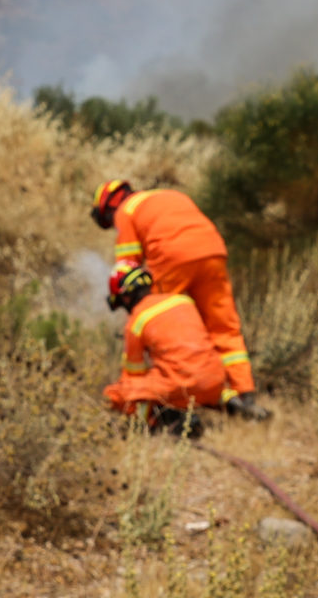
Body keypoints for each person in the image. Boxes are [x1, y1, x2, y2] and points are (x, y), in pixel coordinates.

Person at [91, 179, 261, 406]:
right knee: (224, 326)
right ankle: (244, 391)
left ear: (109, 207)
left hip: (172, 257)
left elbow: (127, 269)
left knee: (159, 319)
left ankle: (178, 390)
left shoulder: (127, 210)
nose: (114, 225)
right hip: (213, 252)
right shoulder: (171, 195)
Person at [101, 264, 228, 434]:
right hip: (216, 381)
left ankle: (161, 423)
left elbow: (133, 375)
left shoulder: (137, 321)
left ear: (125, 298)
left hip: (183, 386)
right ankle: (229, 401)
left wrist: (129, 411)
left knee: (116, 393)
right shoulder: (182, 300)